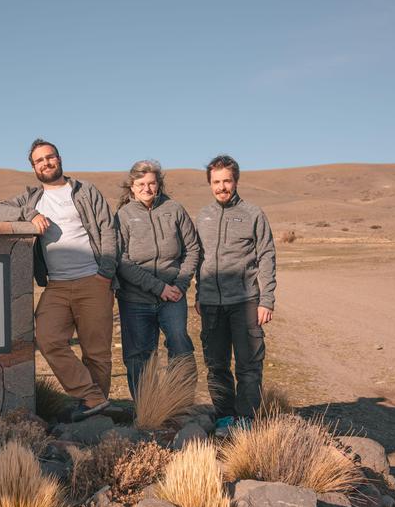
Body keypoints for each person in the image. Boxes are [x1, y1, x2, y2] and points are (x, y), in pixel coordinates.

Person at [0, 139, 118, 421]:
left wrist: (105, 273)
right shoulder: (32, 199)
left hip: (93, 280)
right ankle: (92, 396)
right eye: (39, 161)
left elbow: (108, 230)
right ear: (34, 167)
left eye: (50, 157)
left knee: (97, 352)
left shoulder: (85, 192)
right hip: (57, 285)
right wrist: (30, 213)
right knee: (48, 339)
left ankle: (95, 412)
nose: (46, 163)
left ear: (59, 159)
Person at [194, 155, 276, 433]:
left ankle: (246, 421)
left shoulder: (253, 214)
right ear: (210, 184)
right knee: (216, 366)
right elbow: (199, 258)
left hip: (244, 302)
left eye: (226, 180)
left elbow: (266, 256)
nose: (221, 187)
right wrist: (198, 294)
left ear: (236, 181)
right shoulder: (203, 216)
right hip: (210, 304)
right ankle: (224, 418)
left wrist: (266, 300)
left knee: (248, 366)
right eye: (216, 182)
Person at [115, 159, 200, 400]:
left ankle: (180, 403)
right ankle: (147, 410)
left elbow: (192, 249)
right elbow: (121, 260)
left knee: (180, 345)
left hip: (173, 296)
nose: (146, 188)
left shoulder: (174, 209)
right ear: (131, 187)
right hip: (135, 299)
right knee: (138, 354)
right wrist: (158, 287)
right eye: (140, 184)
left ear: (158, 184)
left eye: (151, 183)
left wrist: (179, 285)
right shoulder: (123, 216)